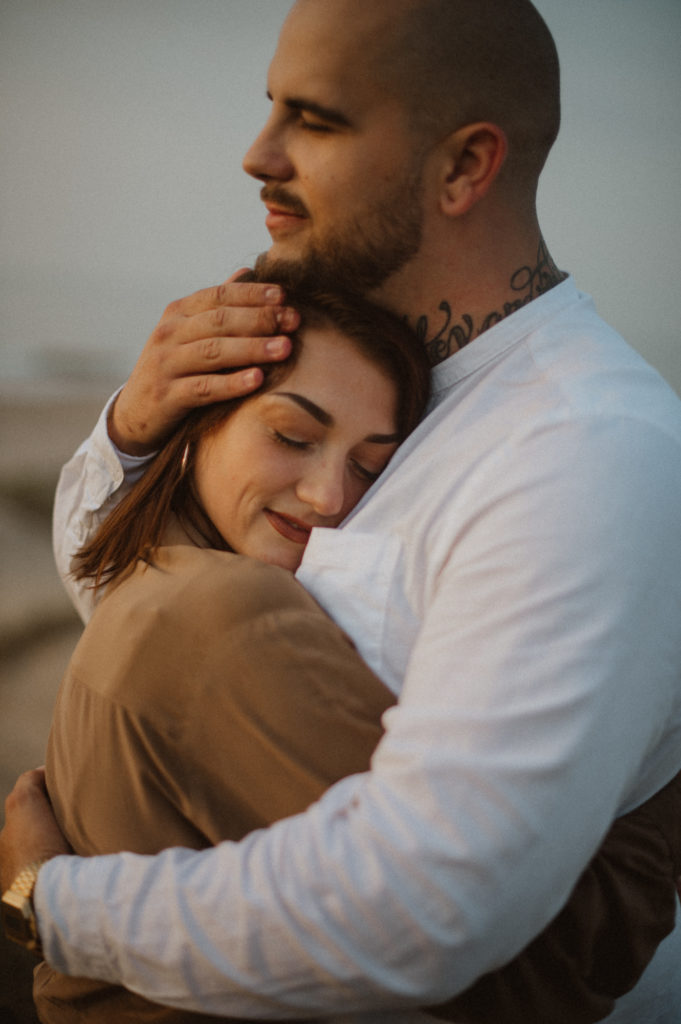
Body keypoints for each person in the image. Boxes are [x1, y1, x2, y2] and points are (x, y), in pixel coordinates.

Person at [2, 0, 681, 1021]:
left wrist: (52, 904)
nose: (257, 154)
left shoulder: (582, 444)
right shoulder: (369, 370)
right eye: (271, 106)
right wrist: (139, 431)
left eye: (315, 120)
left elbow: (431, 905)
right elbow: (142, 619)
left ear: (464, 168)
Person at [31, 279, 430, 1023]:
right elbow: (441, 914)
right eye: (291, 437)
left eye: (368, 468)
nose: (328, 498)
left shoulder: (148, 574)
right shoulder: (231, 616)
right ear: (195, 426)